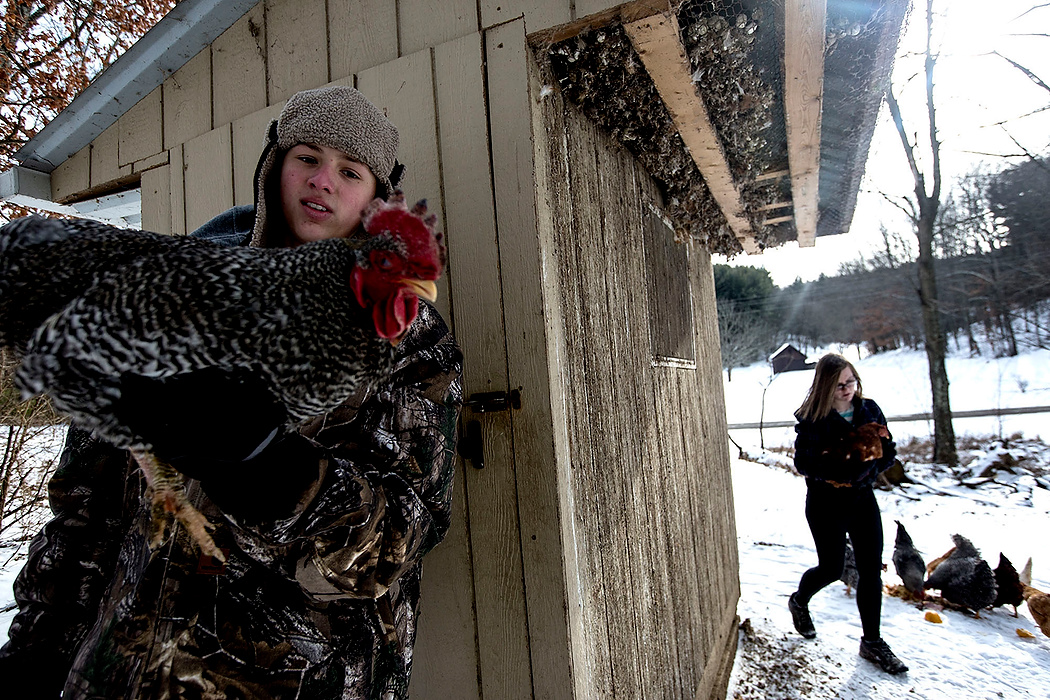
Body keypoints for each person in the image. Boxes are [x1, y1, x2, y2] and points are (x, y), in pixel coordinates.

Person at [0, 85, 462, 699]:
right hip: (118, 675)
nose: (323, 180)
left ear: (375, 198)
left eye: (350, 171)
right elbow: (88, 505)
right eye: (308, 157)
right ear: (274, 167)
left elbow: (398, 542)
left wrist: (274, 475)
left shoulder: (405, 341)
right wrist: (37, 646)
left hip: (283, 681)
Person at [786, 353, 908, 675]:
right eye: (839, 384)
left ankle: (872, 641)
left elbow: (889, 453)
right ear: (825, 386)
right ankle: (799, 601)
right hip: (826, 502)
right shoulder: (814, 419)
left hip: (861, 498)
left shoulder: (869, 410)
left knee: (870, 569)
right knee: (832, 568)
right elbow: (804, 464)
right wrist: (837, 465)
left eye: (851, 382)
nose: (846, 389)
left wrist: (867, 468)